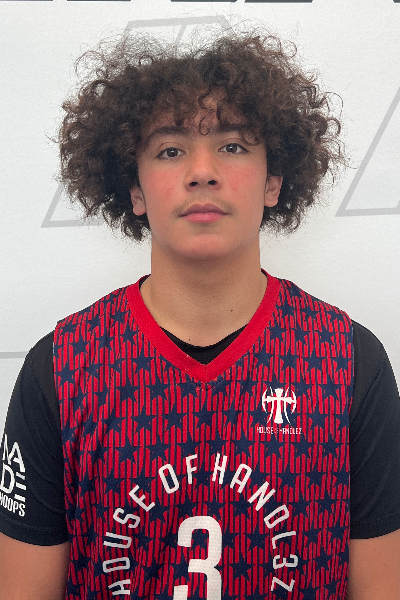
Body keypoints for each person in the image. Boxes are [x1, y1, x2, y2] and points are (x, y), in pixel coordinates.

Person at [0, 27, 399, 600]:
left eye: (233, 146)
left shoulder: (350, 362)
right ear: (136, 191)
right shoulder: (60, 369)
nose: (202, 171)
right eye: (170, 150)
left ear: (274, 181)